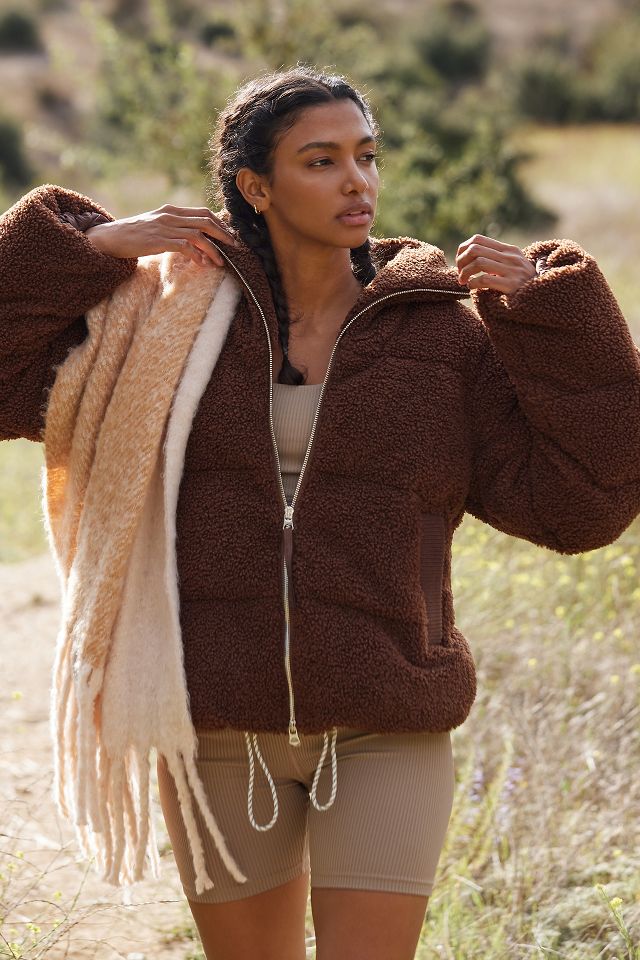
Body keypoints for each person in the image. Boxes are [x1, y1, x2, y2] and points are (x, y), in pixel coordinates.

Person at [1, 65, 639, 960]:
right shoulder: (165, 323)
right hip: (217, 723)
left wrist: (556, 320)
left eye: (367, 156)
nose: (356, 182)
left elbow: (582, 505)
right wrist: (90, 249)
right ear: (255, 187)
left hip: (388, 719)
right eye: (322, 160)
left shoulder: (437, 333)